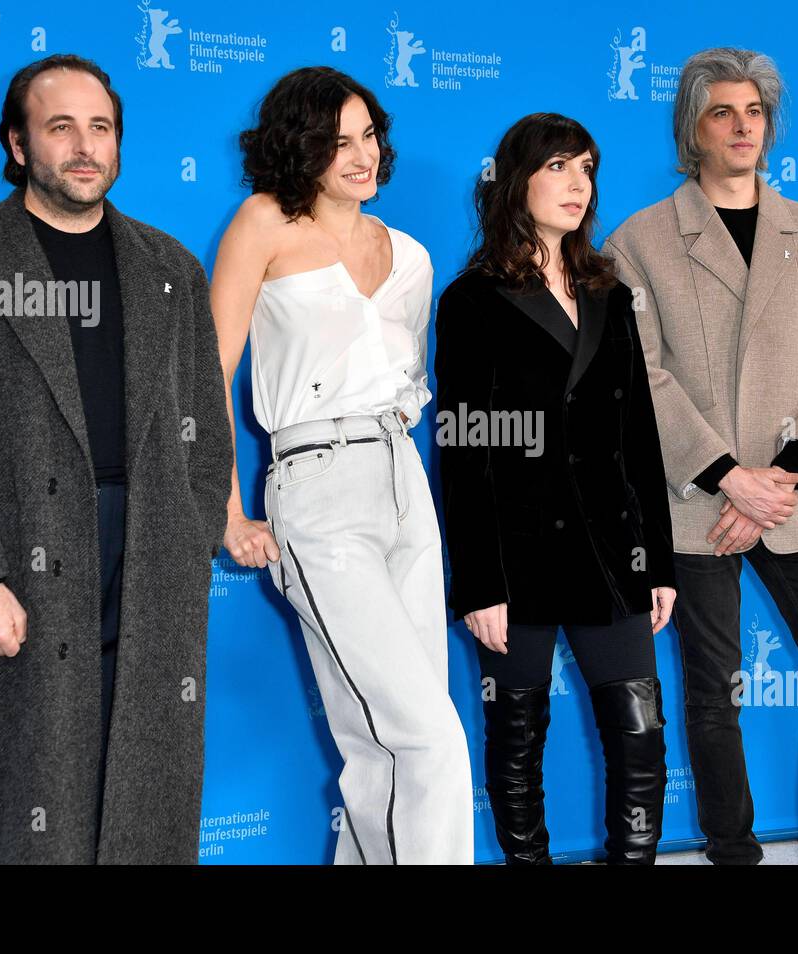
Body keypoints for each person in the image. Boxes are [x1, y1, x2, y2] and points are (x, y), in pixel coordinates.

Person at [0, 53, 231, 863]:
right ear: (16, 143)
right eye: (60, 126)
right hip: (13, 548)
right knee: (13, 789)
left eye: (100, 127)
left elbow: (204, 429)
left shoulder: (171, 270)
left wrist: (192, 532)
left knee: (142, 780)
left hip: (147, 548)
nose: (85, 146)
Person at [603, 47, 798, 864]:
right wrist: (728, 477)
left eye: (754, 112)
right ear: (693, 128)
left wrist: (785, 473)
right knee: (715, 697)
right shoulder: (640, 240)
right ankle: (733, 852)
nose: (742, 126)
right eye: (722, 112)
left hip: (796, 496)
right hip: (698, 502)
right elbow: (640, 374)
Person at [210, 66, 472, 865]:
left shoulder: (413, 256)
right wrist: (227, 508)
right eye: (335, 140)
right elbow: (208, 372)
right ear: (300, 145)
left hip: (403, 484)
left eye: (368, 136)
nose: (359, 155)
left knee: (378, 741)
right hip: (314, 483)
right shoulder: (264, 223)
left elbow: (409, 387)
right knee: (428, 737)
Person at [437, 113, 677, 865]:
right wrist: (479, 582)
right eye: (559, 168)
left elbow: (639, 434)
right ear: (518, 180)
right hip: (518, 556)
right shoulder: (473, 299)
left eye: (588, 169)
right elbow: (464, 451)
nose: (578, 185)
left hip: (613, 553)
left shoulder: (611, 292)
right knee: (517, 741)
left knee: (640, 735)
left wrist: (659, 561)